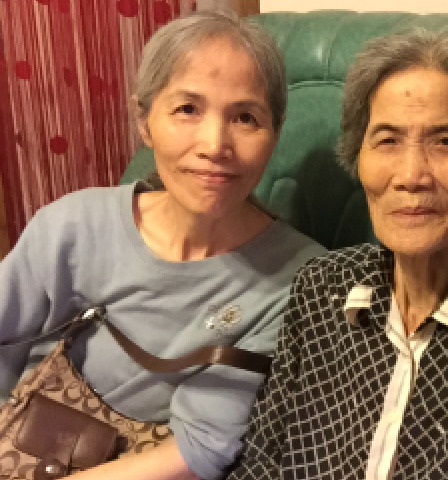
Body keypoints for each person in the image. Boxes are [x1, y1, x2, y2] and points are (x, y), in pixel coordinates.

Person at [0, 10, 325, 480]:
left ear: (274, 133)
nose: (214, 145)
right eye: (187, 109)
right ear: (145, 121)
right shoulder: (72, 226)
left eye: (245, 117)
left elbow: (199, 450)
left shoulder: (300, 281)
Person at [227, 29, 448, 480]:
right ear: (357, 157)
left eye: (445, 140)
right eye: (387, 140)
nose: (410, 175)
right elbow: (262, 461)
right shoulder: (321, 288)